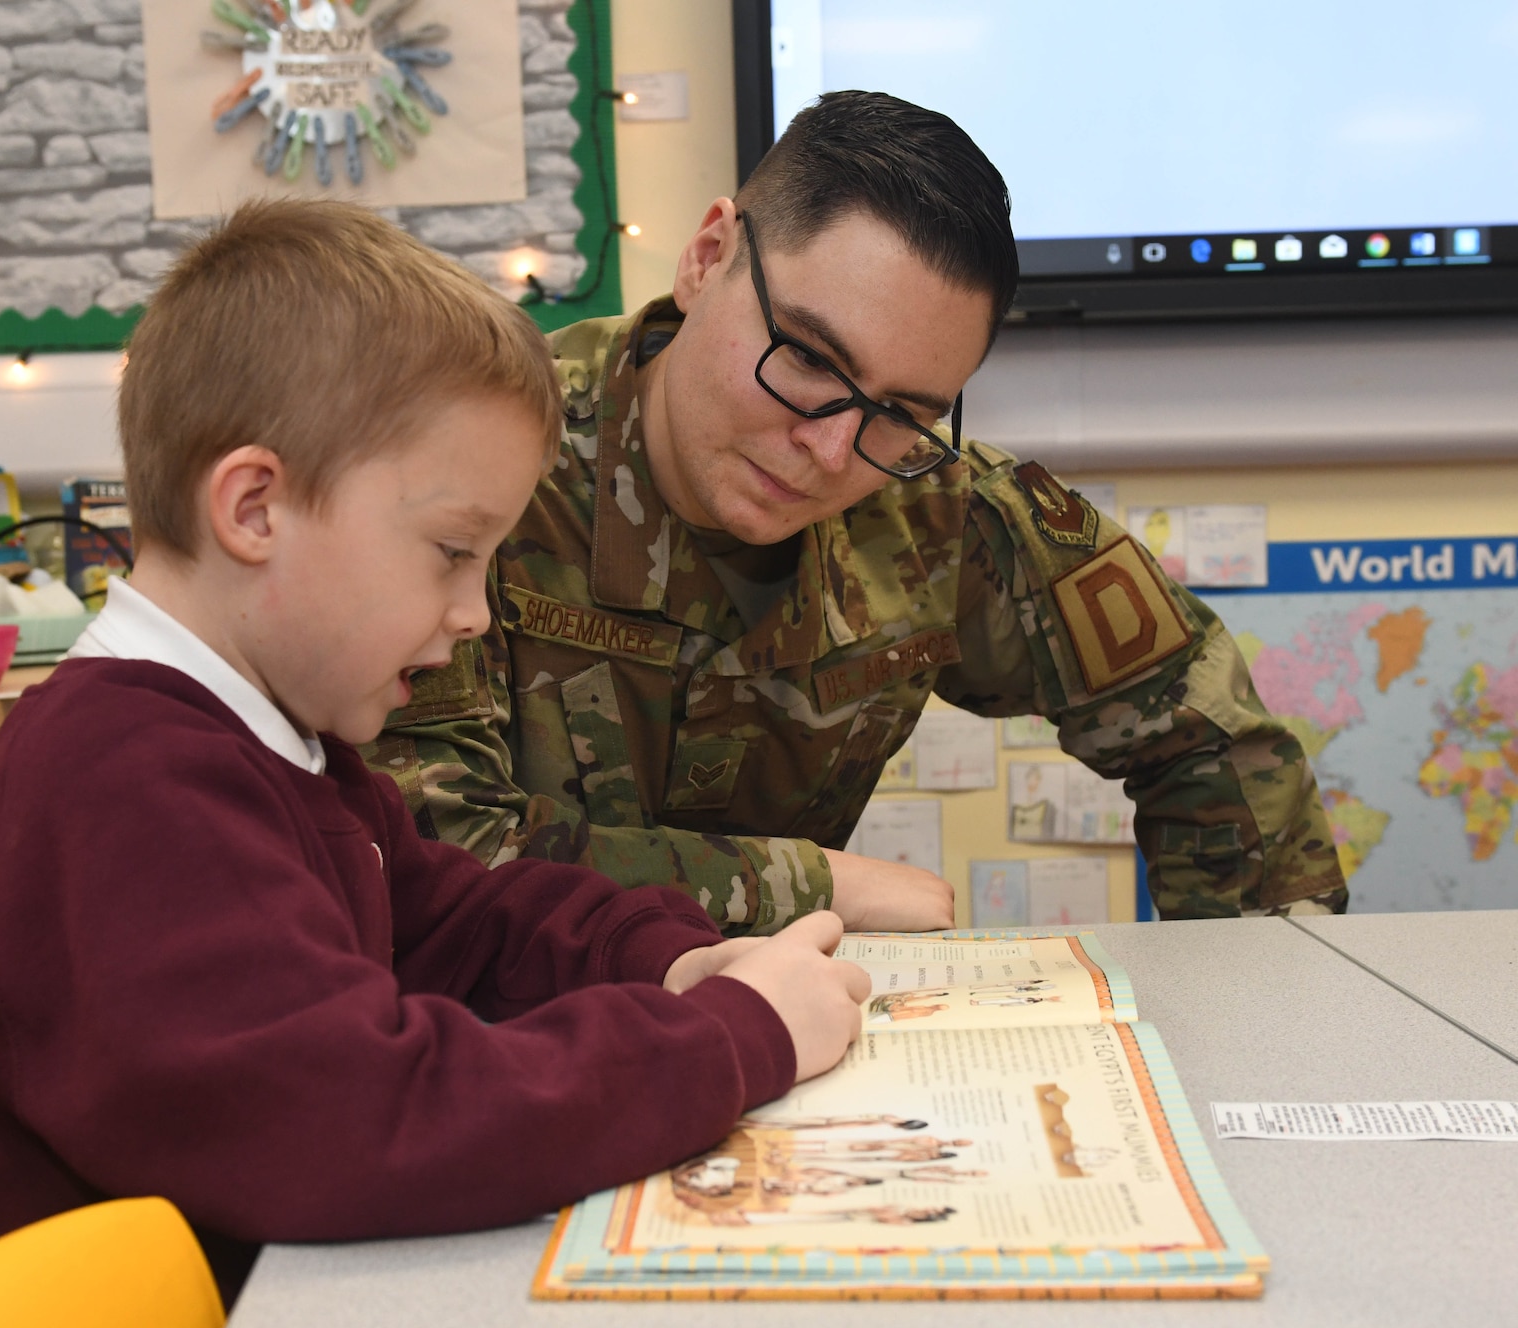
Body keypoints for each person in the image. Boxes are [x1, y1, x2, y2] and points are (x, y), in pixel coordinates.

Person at [0, 200, 874, 1309]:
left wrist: (665, 958)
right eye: (454, 552)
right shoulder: (124, 780)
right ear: (254, 506)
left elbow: (458, 921)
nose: (474, 612)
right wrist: (726, 1040)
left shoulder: (275, 743)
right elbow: (356, 1117)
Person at [367, 90, 1348, 928]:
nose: (832, 449)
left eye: (900, 410)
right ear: (707, 256)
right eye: (804, 356)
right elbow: (434, 862)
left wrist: (1249, 1024)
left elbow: (1214, 738)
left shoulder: (945, 511)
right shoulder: (483, 459)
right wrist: (817, 883)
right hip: (488, 1057)